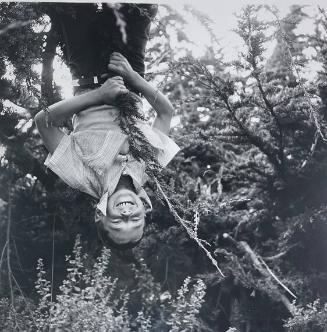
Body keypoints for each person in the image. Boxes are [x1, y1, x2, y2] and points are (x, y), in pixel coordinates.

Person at [35, 53, 179, 249]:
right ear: (145, 209)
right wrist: (134, 77)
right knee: (137, 21)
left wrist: (99, 95)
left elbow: (44, 122)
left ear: (99, 214)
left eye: (118, 223)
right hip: (131, 66)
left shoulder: (80, 176)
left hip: (87, 68)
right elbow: (166, 112)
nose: (127, 215)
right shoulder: (150, 166)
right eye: (136, 221)